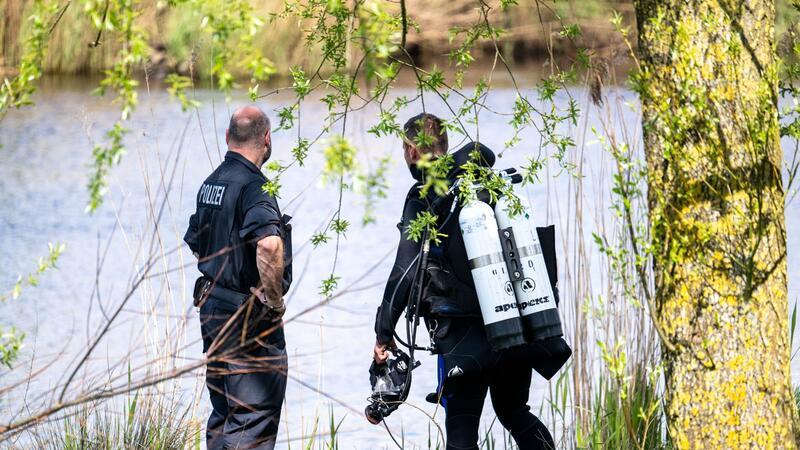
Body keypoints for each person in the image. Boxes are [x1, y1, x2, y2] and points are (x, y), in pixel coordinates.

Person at [373, 113, 564, 450]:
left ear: (412, 151)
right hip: (514, 324)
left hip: (464, 336)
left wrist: (383, 330)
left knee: (461, 429)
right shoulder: (487, 183)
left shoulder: (424, 196)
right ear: (444, 146)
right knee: (515, 412)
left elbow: (406, 267)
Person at [184, 106, 292, 450]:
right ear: (267, 138)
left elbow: (198, 243)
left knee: (225, 415)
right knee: (253, 419)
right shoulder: (255, 186)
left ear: (228, 138)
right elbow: (270, 245)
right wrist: (273, 302)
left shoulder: (210, 184)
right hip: (248, 323)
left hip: (214, 313)